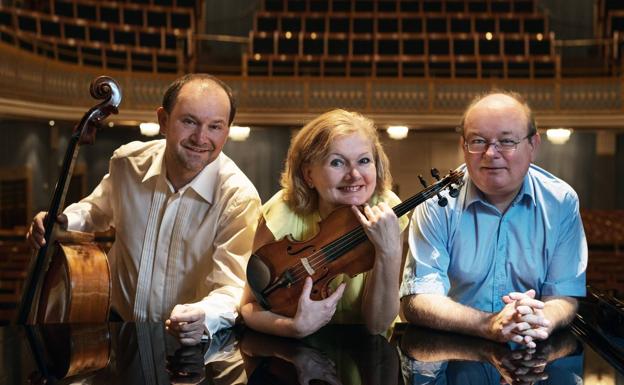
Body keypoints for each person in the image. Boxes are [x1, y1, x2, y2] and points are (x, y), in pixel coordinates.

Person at [26, 73, 261, 345]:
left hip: (187, 342)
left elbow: (231, 287)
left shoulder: (238, 197)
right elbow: (95, 211)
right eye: (189, 121)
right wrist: (59, 221)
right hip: (116, 332)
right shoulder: (127, 164)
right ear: (163, 120)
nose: (201, 138)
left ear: (228, 131)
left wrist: (204, 315)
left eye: (215, 127)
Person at [400, 91, 587, 348]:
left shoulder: (561, 202)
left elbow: (564, 294)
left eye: (507, 141)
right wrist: (488, 324)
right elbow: (417, 299)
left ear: (533, 145)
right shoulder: (436, 203)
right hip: (455, 352)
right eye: (478, 141)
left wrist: (540, 319)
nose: (490, 153)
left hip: (533, 348)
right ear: (462, 146)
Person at [240, 109, 407, 338]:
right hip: (292, 348)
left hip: (367, 353)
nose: (354, 174)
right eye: (337, 162)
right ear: (308, 174)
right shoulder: (282, 210)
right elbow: (250, 307)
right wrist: (293, 328)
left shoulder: (386, 209)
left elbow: (377, 324)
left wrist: (387, 251)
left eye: (364, 160)